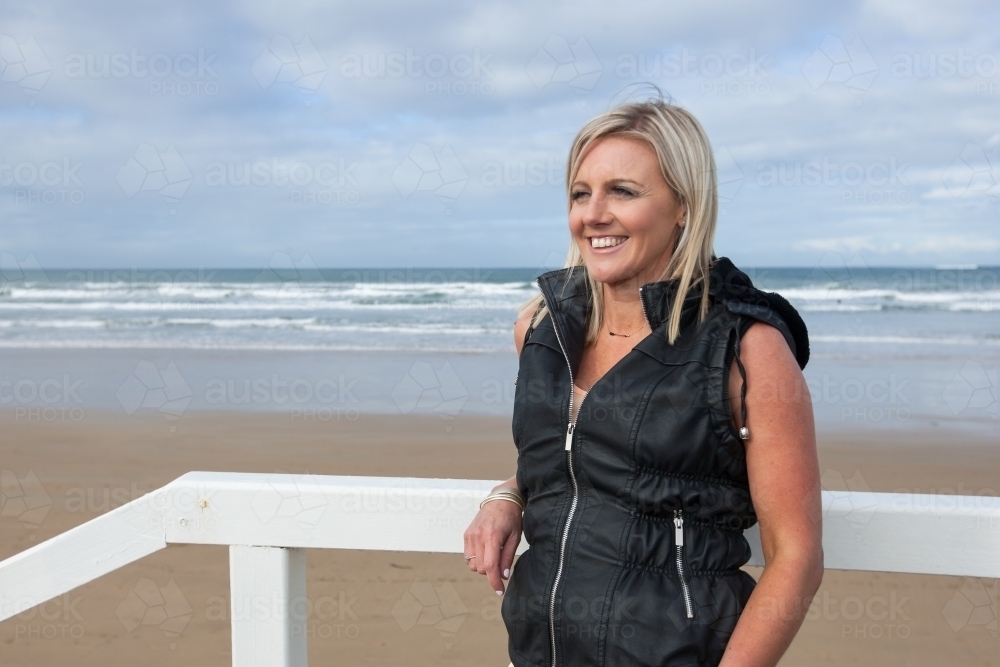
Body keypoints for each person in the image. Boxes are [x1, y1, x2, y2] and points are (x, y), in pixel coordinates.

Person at [464, 96, 823, 667]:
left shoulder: (747, 350)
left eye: (623, 192)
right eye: (581, 193)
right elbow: (589, 456)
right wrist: (510, 494)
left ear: (683, 205)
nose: (593, 214)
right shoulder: (540, 329)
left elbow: (795, 555)